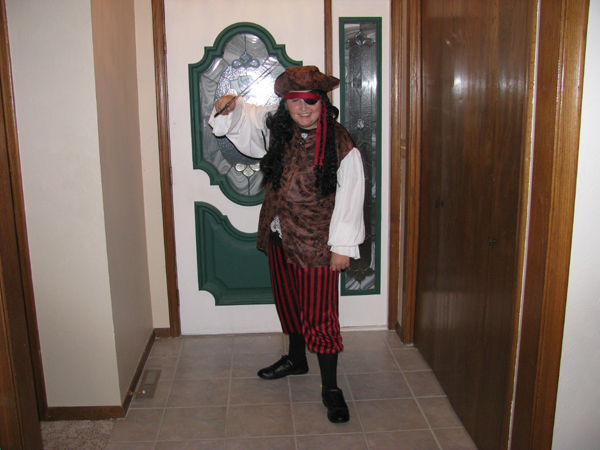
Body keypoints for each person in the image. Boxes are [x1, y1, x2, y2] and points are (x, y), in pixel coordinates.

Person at [209, 65, 365, 424]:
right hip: (279, 233)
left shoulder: (340, 142)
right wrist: (228, 104)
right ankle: (296, 359)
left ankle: (330, 388)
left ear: (322, 101)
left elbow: (352, 196)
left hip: (317, 244)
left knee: (321, 316)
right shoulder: (279, 128)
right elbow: (247, 116)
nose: (303, 108)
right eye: (295, 101)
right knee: (288, 302)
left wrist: (342, 246)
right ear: (286, 104)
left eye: (311, 100)